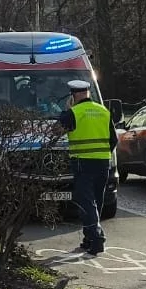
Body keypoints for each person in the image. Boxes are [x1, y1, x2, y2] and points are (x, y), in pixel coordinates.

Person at [58, 79, 115, 255]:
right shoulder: (103, 111)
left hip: (83, 162)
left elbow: (56, 130)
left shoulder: (74, 112)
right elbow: (114, 140)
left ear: (73, 95)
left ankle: (97, 239)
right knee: (97, 202)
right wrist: (103, 152)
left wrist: (67, 111)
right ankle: (88, 238)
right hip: (103, 162)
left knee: (86, 203)